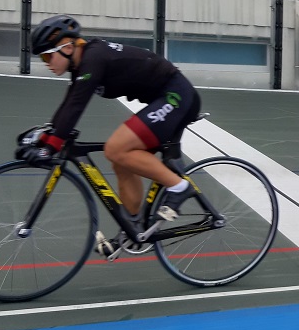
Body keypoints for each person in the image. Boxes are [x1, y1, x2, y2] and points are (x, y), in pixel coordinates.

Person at [20, 15, 202, 254]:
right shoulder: (81, 65)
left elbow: (76, 106)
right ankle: (133, 229)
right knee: (121, 161)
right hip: (162, 99)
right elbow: (68, 105)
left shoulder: (93, 58)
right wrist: (44, 138)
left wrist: (50, 147)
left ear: (66, 47)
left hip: (176, 96)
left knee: (116, 148)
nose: (45, 62)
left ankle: (179, 187)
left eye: (47, 55)